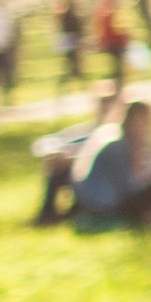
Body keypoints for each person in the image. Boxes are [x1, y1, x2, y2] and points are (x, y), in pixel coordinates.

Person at [71, 100, 151, 227]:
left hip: (103, 200)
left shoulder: (129, 142)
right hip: (101, 206)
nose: (147, 127)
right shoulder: (117, 146)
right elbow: (129, 187)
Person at [30, 87, 120, 224]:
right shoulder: (88, 130)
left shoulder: (117, 136)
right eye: (103, 103)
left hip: (103, 183)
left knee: (71, 168)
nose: (106, 108)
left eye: (110, 103)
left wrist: (76, 158)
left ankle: (63, 213)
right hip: (82, 177)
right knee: (57, 167)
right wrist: (57, 155)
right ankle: (49, 214)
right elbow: (46, 143)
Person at [92, 0, 131, 88]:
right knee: (118, 64)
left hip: (112, 42)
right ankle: (119, 82)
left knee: (117, 64)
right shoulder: (111, 15)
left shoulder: (103, 15)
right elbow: (119, 29)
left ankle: (118, 82)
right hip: (116, 42)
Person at [53, 0, 84, 84]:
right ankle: (71, 74)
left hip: (72, 39)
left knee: (74, 57)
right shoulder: (61, 16)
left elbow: (77, 28)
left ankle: (76, 74)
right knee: (69, 58)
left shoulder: (70, 16)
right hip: (67, 40)